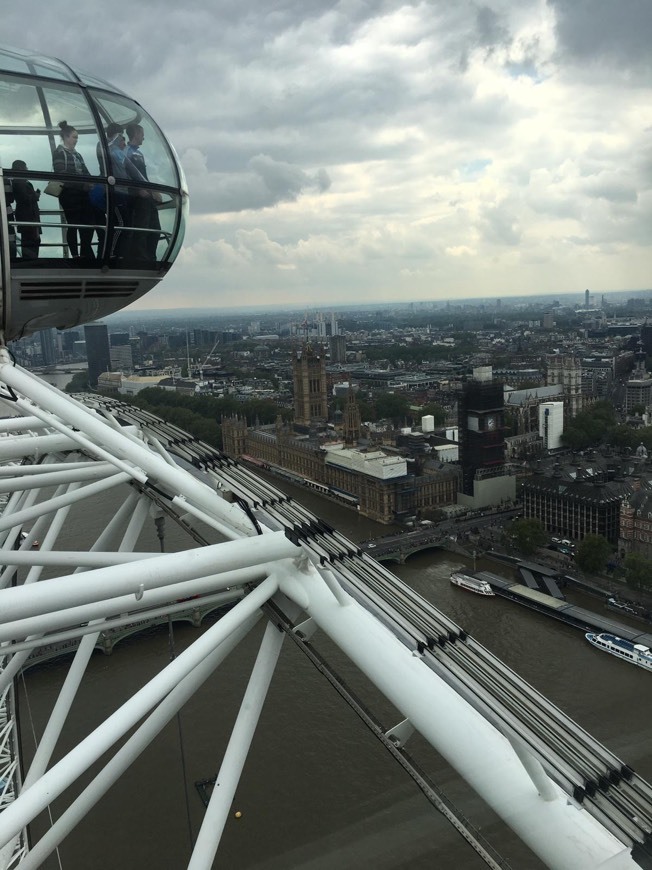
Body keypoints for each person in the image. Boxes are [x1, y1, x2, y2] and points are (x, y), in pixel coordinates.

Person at [52, 120, 96, 259]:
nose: (76, 140)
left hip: (81, 193)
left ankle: (84, 252)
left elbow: (86, 171)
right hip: (69, 194)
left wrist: (89, 183)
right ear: (66, 137)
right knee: (74, 223)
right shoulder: (59, 152)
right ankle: (77, 254)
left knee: (86, 224)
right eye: (74, 137)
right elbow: (61, 174)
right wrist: (84, 184)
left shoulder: (77, 154)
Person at [125, 123, 161, 262]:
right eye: (141, 134)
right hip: (138, 198)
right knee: (142, 228)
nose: (143, 137)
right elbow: (126, 174)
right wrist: (138, 190)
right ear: (135, 134)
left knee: (155, 228)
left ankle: (151, 255)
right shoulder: (127, 151)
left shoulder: (138, 153)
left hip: (147, 196)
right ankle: (140, 257)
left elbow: (142, 175)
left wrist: (153, 191)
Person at [10, 160, 41, 259]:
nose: (27, 169)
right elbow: (24, 198)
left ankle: (31, 261)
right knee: (31, 242)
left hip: (28, 216)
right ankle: (31, 262)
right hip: (28, 217)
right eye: (25, 167)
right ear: (20, 168)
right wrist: (35, 195)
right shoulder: (19, 181)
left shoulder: (19, 181)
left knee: (32, 241)